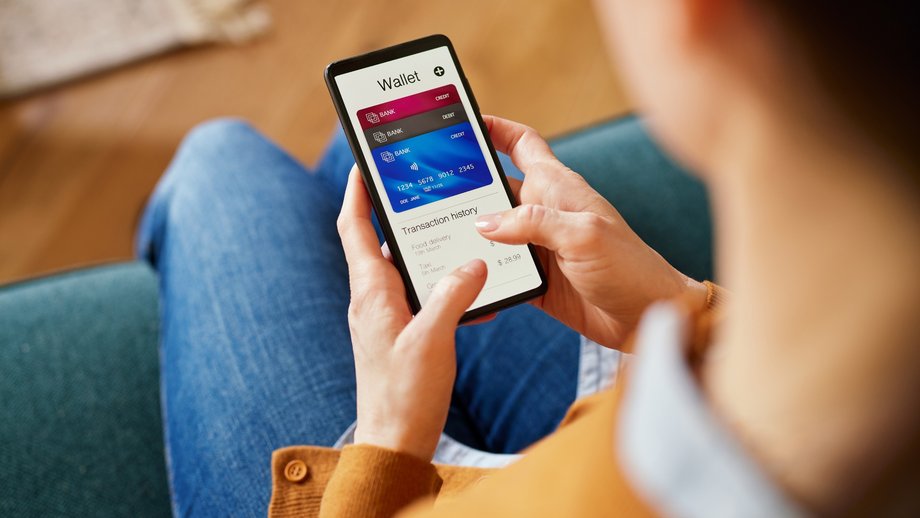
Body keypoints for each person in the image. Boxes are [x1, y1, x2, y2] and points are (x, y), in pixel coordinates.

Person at [137, 0, 919, 516]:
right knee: (365, 155)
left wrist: (385, 441)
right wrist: (679, 308)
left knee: (221, 163)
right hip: (637, 399)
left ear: (698, 13)